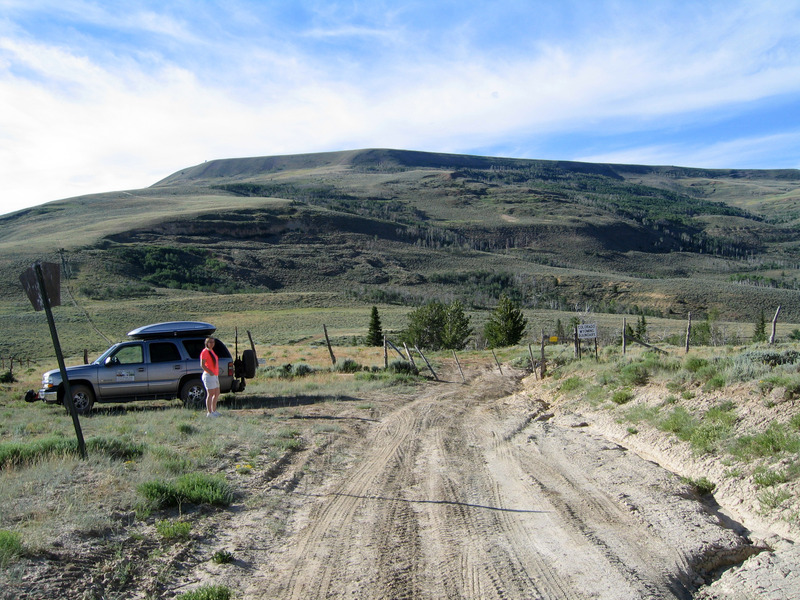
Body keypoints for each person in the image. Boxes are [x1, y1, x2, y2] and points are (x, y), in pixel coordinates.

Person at [200, 337, 221, 417]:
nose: (212, 343)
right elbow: (202, 364)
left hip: (215, 375)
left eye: (213, 342)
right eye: (210, 342)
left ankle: (214, 410)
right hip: (209, 375)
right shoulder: (205, 352)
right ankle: (209, 412)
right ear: (207, 343)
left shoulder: (211, 351)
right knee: (210, 393)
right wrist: (210, 372)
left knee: (216, 393)